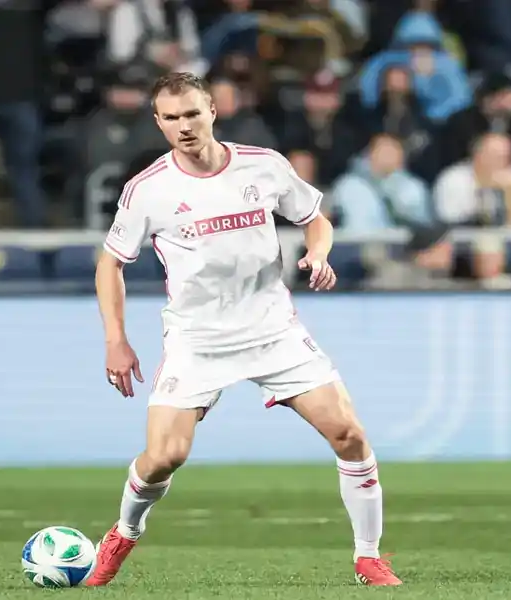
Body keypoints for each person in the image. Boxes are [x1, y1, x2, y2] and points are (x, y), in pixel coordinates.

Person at [90, 72, 402, 588]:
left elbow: (315, 217)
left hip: (273, 331)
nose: (184, 126)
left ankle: (368, 557)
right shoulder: (147, 189)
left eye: (192, 113)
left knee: (349, 434)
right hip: (198, 340)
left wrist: (318, 252)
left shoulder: (264, 165)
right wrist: (115, 340)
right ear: (159, 123)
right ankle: (123, 532)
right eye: (172, 118)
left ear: (212, 110)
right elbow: (110, 264)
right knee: (165, 456)